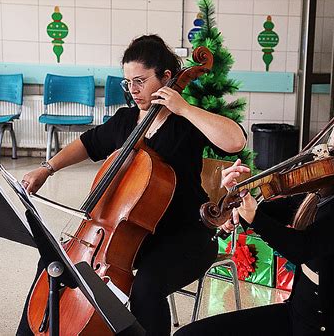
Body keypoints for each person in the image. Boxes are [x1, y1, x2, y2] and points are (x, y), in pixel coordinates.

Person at [16, 34, 246, 335]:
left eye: (140, 81)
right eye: (128, 82)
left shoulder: (185, 125)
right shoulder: (125, 121)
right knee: (54, 262)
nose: (133, 90)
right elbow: (88, 143)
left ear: (166, 77)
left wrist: (185, 108)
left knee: (146, 287)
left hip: (187, 236)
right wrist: (47, 168)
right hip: (132, 235)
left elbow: (236, 140)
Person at [174, 59, 334, 335]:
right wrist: (244, 195)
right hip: (300, 314)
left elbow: (304, 247)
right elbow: (290, 208)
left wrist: (254, 217)